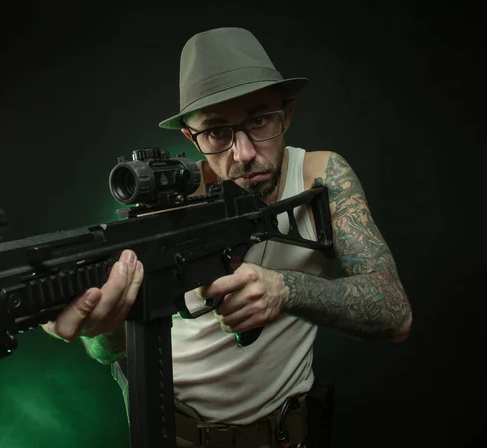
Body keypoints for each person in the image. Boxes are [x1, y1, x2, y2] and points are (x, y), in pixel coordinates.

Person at [42, 27, 413, 447]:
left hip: (286, 436)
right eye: (216, 132)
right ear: (190, 138)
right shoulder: (165, 207)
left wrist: (284, 289)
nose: (243, 154)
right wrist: (101, 328)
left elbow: (395, 314)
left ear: (286, 115)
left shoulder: (319, 177)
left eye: (258, 121)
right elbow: (107, 351)